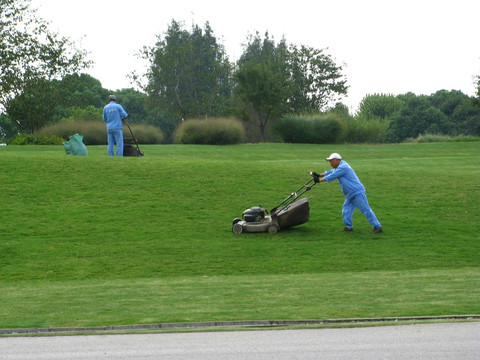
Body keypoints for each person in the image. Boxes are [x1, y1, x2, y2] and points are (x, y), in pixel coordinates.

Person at [312, 153, 383, 234]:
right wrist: (319, 175)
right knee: (346, 210)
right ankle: (348, 227)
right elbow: (331, 172)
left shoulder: (343, 167)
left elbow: (333, 175)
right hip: (350, 194)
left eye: (331, 161)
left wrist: (319, 180)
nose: (330, 163)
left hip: (357, 192)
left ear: (337, 160)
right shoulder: (339, 166)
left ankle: (378, 227)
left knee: (365, 209)